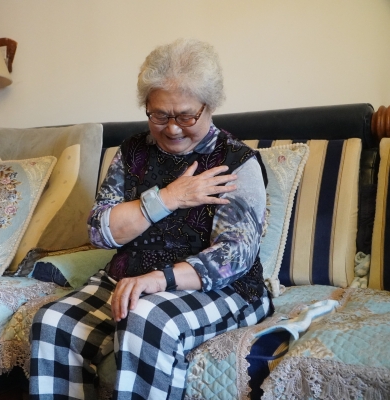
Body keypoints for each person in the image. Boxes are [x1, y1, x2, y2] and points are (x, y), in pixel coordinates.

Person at [29, 38, 273, 400]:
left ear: (209, 106)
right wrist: (168, 198)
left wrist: (160, 279)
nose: (172, 128)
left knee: (146, 318)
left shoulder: (235, 162)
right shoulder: (133, 152)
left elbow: (233, 256)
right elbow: (99, 231)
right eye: (159, 115)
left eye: (186, 116)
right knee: (53, 323)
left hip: (218, 288)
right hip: (130, 277)